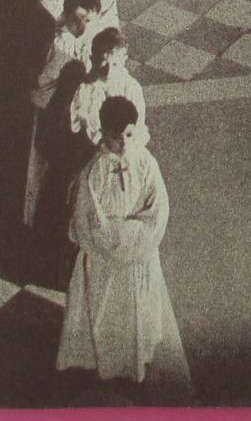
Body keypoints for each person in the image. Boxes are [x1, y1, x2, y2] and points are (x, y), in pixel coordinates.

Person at [56, 96, 184, 384]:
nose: (124, 144)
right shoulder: (94, 171)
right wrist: (113, 241)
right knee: (104, 313)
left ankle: (136, 360)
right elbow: (85, 217)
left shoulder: (145, 161)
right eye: (116, 138)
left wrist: (137, 235)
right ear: (104, 134)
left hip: (138, 254)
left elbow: (158, 205)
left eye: (129, 135)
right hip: (105, 260)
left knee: (136, 314)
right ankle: (103, 363)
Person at [24, 0, 102, 228]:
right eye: (77, 19)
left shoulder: (89, 38)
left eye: (88, 19)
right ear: (66, 14)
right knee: (41, 172)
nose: (83, 26)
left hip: (76, 114)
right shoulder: (58, 43)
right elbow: (42, 81)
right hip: (52, 113)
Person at [70, 28, 148, 149]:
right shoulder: (84, 88)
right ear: (92, 59)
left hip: (124, 149)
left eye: (115, 65)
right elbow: (76, 124)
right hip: (90, 150)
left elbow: (138, 128)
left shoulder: (131, 88)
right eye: (103, 64)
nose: (109, 73)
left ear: (124, 59)